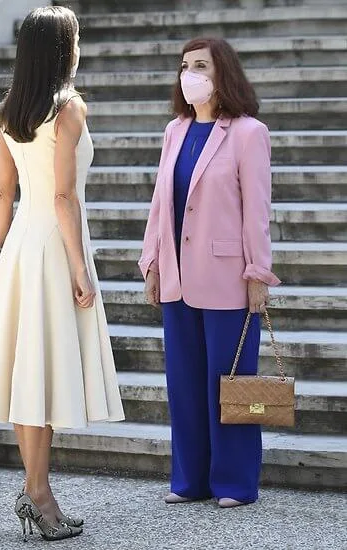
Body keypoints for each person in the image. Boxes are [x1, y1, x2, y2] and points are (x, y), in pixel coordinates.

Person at [0, 6, 124, 542]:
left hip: (20, 246)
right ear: (67, 47)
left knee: (29, 374)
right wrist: (80, 268)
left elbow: (3, 193)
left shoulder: (10, 111)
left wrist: (0, 255)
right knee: (44, 371)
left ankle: (38, 491)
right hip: (55, 247)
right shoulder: (69, 110)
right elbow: (63, 196)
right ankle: (37, 494)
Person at [139, 37, 281, 508]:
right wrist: (152, 264)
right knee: (183, 383)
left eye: (200, 65)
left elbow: (256, 210)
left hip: (228, 278)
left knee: (232, 382)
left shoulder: (248, 132)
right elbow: (161, 204)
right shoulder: (174, 130)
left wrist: (258, 272)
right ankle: (189, 479)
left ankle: (235, 483)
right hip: (178, 276)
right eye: (185, 66)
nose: (189, 73)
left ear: (223, 74)